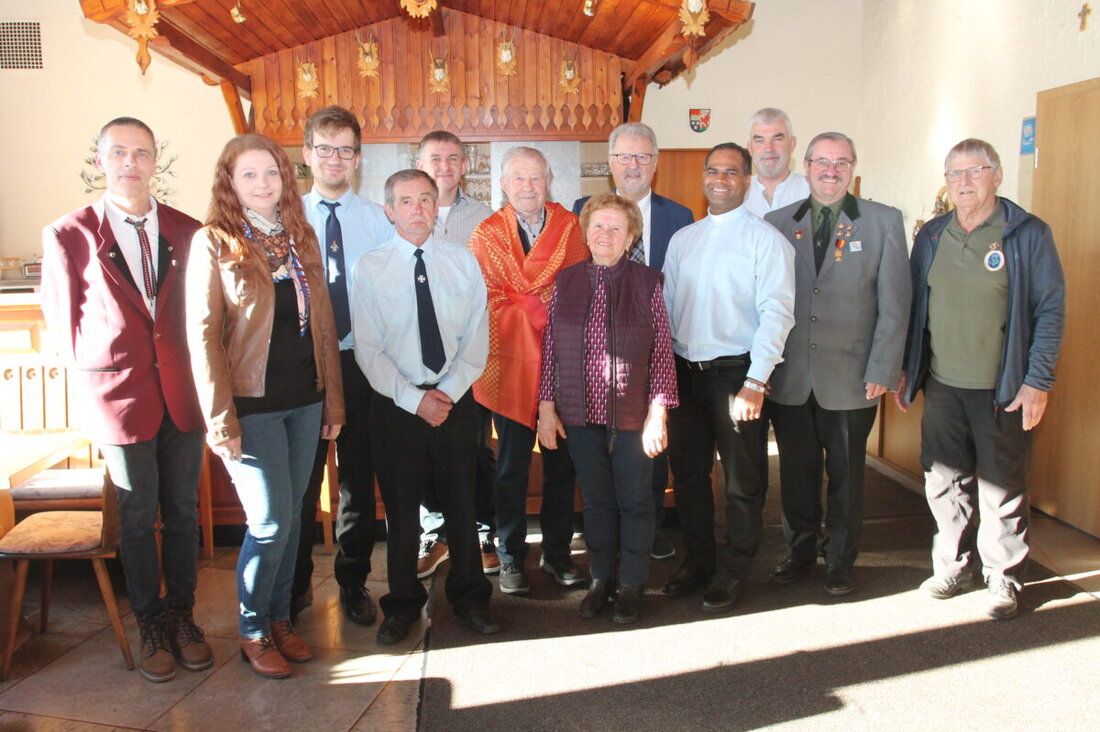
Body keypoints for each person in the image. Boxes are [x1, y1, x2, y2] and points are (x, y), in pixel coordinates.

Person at [41, 117, 213, 684]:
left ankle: (184, 615)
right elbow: (64, 329)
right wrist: (88, 404)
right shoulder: (69, 233)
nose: (130, 163)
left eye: (141, 153)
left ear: (155, 160)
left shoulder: (190, 231)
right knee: (138, 518)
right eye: (119, 153)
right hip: (119, 397)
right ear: (100, 161)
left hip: (183, 394)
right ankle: (151, 623)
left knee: (184, 512)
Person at [187, 133, 344, 678]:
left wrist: (333, 404)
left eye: (271, 173)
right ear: (229, 182)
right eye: (249, 174)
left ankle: (281, 620)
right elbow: (203, 336)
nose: (262, 184)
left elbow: (323, 326)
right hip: (250, 408)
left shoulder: (299, 238)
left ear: (286, 179)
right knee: (271, 521)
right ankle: (253, 629)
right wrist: (219, 419)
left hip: (305, 401)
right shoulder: (214, 241)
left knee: (297, 515)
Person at [896, 138, 1065, 620]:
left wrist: (1038, 380)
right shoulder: (930, 236)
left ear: (997, 176)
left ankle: (1003, 578)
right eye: (954, 173)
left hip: (1003, 386)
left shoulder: (1027, 233)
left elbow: (1050, 309)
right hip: (944, 384)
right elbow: (915, 308)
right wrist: (909, 366)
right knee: (943, 481)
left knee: (1002, 486)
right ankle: (953, 565)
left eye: (975, 171)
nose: (964, 182)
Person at [352, 169, 499, 644]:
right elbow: (368, 350)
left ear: (437, 207)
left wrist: (448, 393)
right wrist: (416, 401)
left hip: (454, 401)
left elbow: (478, 335)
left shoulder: (463, 262)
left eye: (425, 200)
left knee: (463, 503)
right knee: (402, 513)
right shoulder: (370, 268)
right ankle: (401, 605)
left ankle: (471, 596)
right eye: (406, 202)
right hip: (396, 406)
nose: (417, 209)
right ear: (390, 211)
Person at [764, 132, 911, 595]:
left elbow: (896, 302)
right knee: (796, 472)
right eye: (822, 162)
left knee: (847, 476)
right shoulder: (777, 222)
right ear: (805, 166)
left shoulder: (883, 221)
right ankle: (800, 550)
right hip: (791, 376)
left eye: (841, 162)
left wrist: (884, 368)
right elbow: (766, 298)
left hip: (853, 377)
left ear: (852, 167)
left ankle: (841, 558)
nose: (831, 171)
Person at [661, 143, 795, 613]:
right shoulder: (684, 240)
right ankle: (699, 560)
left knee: (743, 479)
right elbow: (668, 311)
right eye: (714, 171)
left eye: (732, 172)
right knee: (691, 477)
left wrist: (756, 382)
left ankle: (736, 567)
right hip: (685, 373)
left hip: (737, 375)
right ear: (704, 176)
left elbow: (777, 314)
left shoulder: (766, 240)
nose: (721, 179)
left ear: (747, 178)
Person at [537, 193, 678, 623]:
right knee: (596, 503)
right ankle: (601, 580)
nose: (606, 235)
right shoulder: (566, 281)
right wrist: (546, 407)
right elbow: (551, 351)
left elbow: (661, 354)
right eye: (598, 226)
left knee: (636, 502)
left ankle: (632, 584)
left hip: (633, 414)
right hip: (579, 415)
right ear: (586, 232)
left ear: (631, 235)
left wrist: (659, 413)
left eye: (616, 227)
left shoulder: (648, 282)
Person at [469, 146, 589, 595]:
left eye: (535, 178)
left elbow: (580, 292)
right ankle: (510, 557)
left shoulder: (569, 228)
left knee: (561, 466)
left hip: (562, 365)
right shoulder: (486, 234)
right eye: (518, 178)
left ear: (549, 180)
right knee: (511, 468)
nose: (527, 186)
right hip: (507, 365)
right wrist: (532, 306)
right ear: (503, 184)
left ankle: (557, 555)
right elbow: (480, 298)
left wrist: (543, 309)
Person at [572, 122, 693, 561]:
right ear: (610, 163)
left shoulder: (679, 216)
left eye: (642, 157)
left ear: (655, 163)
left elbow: (680, 285)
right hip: (598, 360)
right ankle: (604, 531)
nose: (633, 165)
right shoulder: (582, 209)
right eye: (624, 156)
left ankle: (651, 525)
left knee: (653, 444)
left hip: (657, 353)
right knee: (599, 449)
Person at [292, 106, 393, 628]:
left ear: (358, 158)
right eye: (325, 148)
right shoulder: (286, 217)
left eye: (346, 149)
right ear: (307, 154)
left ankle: (353, 582)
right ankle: (294, 584)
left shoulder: (378, 218)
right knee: (303, 481)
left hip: (360, 362)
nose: (335, 159)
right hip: (304, 364)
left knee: (358, 477)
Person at [413, 130, 498, 579]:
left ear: (464, 165)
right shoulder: (404, 213)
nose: (443, 166)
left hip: (470, 358)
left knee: (474, 449)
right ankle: (435, 533)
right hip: (415, 360)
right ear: (420, 162)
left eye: (452, 159)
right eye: (434, 158)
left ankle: (483, 531)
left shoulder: (486, 219)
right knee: (423, 452)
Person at [742, 108, 810, 219]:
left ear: (792, 144)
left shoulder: (812, 192)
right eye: (760, 140)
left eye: (777, 139)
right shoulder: (737, 194)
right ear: (749, 147)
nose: (768, 148)